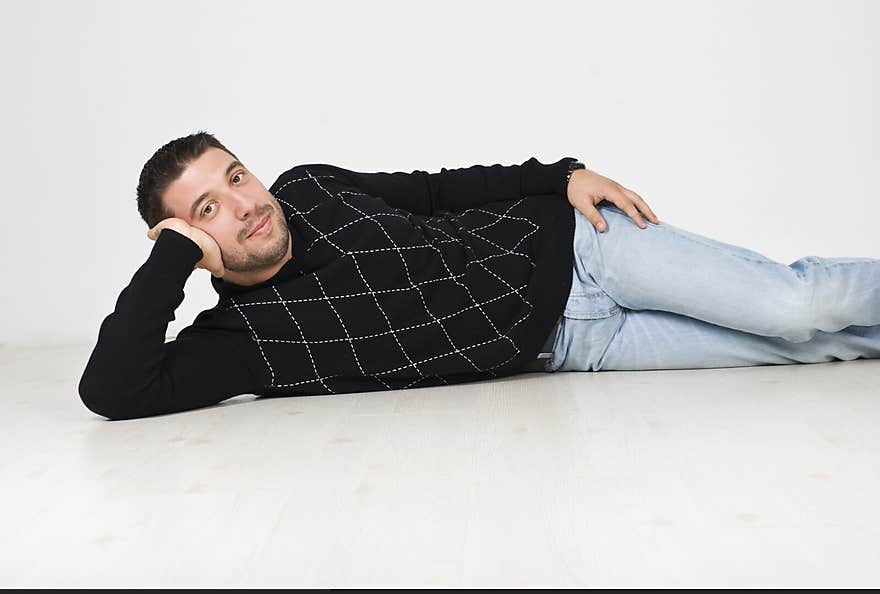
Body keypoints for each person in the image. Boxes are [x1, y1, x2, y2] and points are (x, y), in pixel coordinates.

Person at [78, 132, 880, 420]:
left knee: (794, 305)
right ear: (184, 239)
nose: (246, 205)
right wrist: (173, 255)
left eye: (237, 176)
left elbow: (436, 189)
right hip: (572, 347)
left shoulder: (309, 184)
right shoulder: (240, 343)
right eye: (207, 209)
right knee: (809, 351)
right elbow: (114, 391)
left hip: (580, 247)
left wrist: (560, 172)